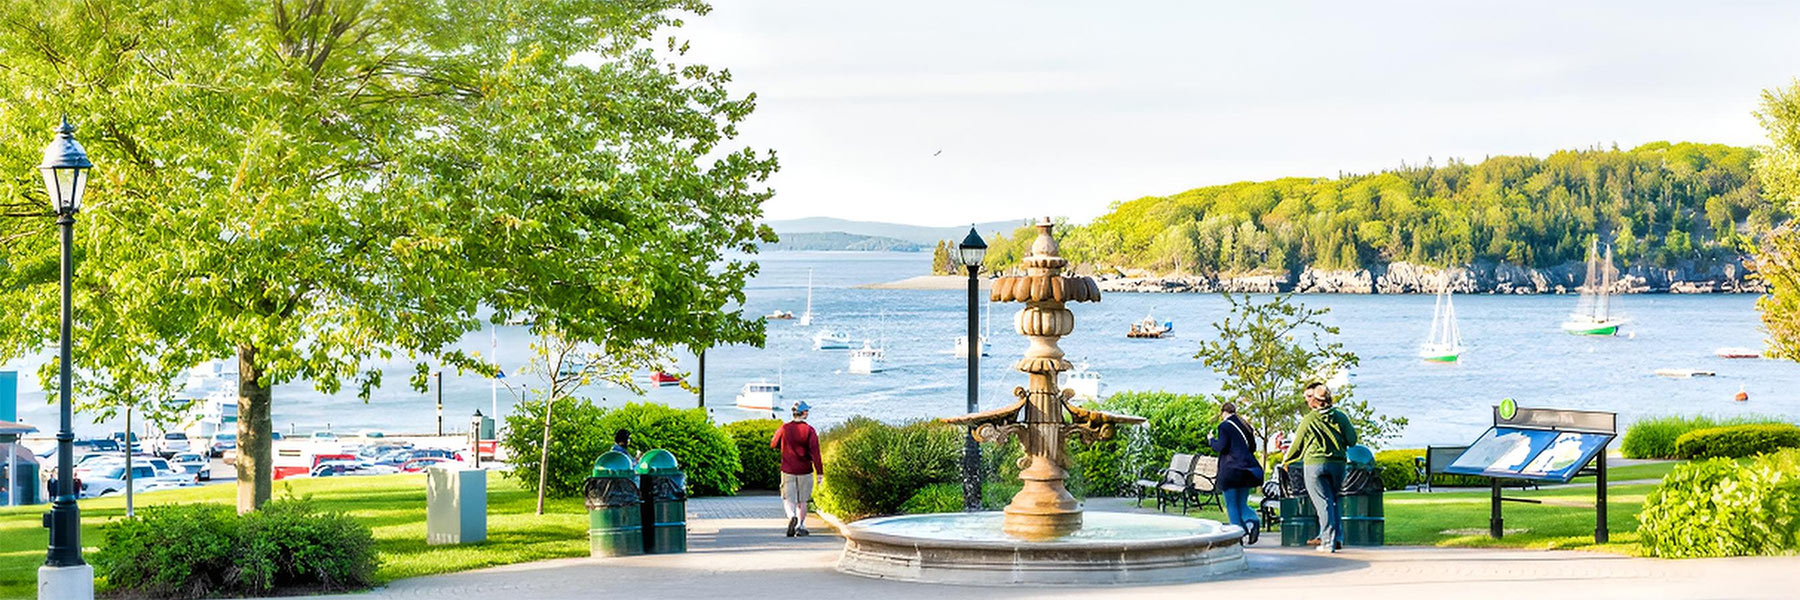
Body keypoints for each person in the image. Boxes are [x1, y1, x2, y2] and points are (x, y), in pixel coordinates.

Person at [1282, 382, 1358, 553]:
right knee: (1334, 500)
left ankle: (1327, 541)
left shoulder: (1309, 419)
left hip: (1314, 464)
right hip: (1338, 464)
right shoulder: (1341, 417)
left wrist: (1287, 461)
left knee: (1323, 503)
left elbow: (1297, 445)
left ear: (1314, 401)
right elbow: (1352, 440)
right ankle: (1337, 538)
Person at [1208, 402, 1264, 544]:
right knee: (1242, 504)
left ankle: (1237, 536)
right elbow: (1252, 447)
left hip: (1231, 471)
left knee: (1232, 505)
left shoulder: (1224, 426)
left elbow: (1221, 446)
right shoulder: (1245, 425)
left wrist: (1211, 440)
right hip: (1248, 470)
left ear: (1223, 413)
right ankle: (1253, 522)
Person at [770, 401, 823, 537]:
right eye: (807, 411)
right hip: (805, 470)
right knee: (803, 500)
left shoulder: (784, 428)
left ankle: (791, 516)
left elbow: (773, 443)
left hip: (788, 469)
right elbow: (815, 453)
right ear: (804, 413)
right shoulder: (809, 430)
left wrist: (784, 448)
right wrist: (819, 473)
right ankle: (800, 525)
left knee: (788, 498)